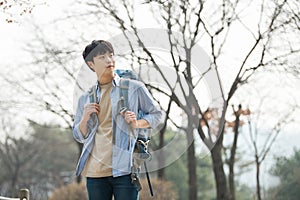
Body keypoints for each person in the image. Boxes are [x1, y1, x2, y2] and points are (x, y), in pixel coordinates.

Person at [72, 40, 162, 200]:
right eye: (102, 57)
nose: (109, 60)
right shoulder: (85, 98)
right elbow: (79, 135)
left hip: (125, 170)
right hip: (95, 171)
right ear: (91, 64)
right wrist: (85, 118)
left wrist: (137, 123)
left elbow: (156, 114)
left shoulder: (134, 88)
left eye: (111, 55)